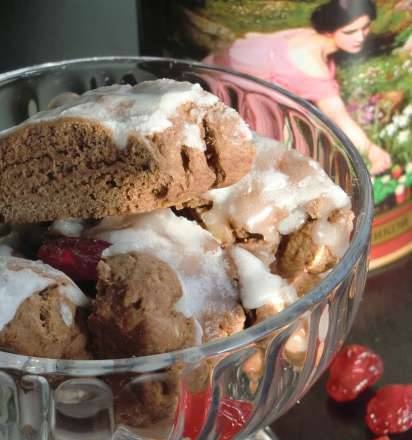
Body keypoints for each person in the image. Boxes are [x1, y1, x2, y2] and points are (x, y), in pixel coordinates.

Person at [204, 0, 391, 175]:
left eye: (365, 27)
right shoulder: (312, 66)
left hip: (213, 69)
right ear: (329, 31)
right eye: (349, 32)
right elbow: (336, 114)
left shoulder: (306, 34)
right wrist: (370, 149)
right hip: (224, 93)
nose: (360, 37)